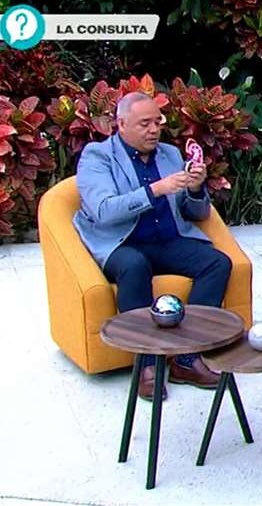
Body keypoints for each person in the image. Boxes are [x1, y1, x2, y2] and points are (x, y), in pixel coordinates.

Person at [74, 92, 231, 401]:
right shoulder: (97, 156)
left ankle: (187, 358)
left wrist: (196, 188)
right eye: (144, 124)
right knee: (134, 266)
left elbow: (197, 213)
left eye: (157, 122)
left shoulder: (170, 154)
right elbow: (103, 211)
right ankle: (147, 365)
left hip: (166, 240)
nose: (154, 130)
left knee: (217, 263)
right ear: (121, 124)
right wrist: (155, 190)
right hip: (122, 243)